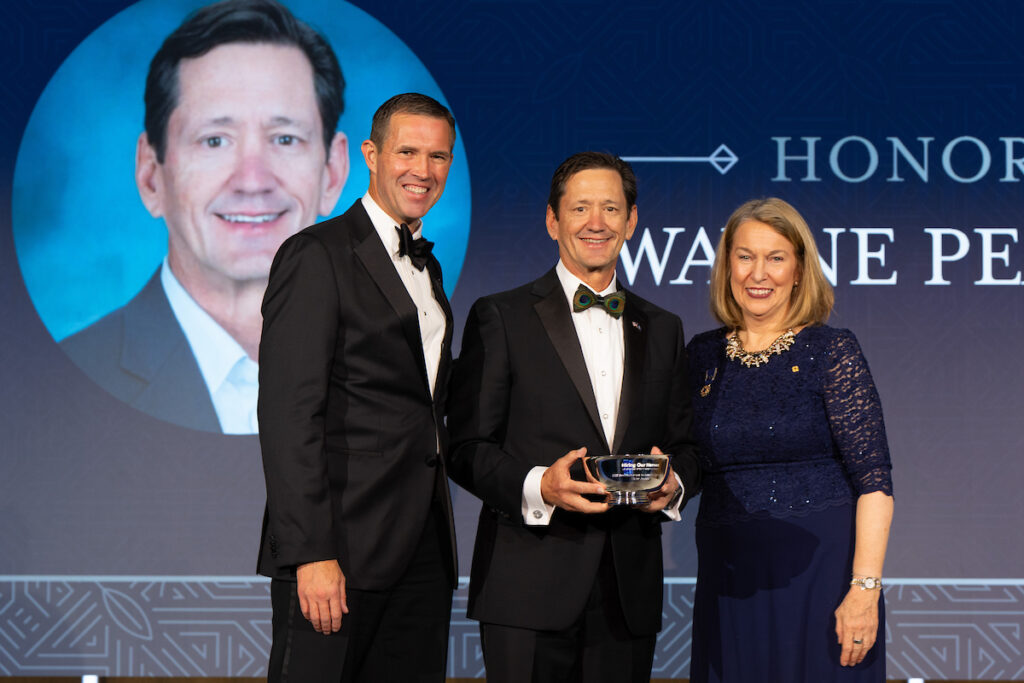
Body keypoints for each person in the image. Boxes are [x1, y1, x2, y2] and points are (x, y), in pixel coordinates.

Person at [447, 151, 702, 683]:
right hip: (527, 588)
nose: (596, 222)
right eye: (580, 207)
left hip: (627, 592)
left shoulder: (663, 328)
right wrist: (542, 486)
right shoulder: (501, 316)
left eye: (611, 208)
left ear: (631, 222)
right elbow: (466, 448)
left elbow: (688, 446)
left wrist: (672, 485)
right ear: (552, 220)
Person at [61, 0, 349, 434]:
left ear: (332, 173)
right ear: (150, 176)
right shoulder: (58, 385)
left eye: (285, 138)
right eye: (214, 141)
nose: (252, 181)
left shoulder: (405, 374)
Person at [256, 93, 458, 683]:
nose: (422, 171)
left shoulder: (428, 268)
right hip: (338, 548)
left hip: (421, 546)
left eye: (438, 157)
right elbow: (290, 416)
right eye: (408, 152)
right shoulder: (316, 255)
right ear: (371, 154)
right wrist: (311, 553)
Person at [686, 197, 894, 682]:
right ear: (727, 265)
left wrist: (864, 590)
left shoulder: (831, 351)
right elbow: (685, 462)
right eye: (745, 256)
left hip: (822, 580)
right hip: (728, 578)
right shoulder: (700, 355)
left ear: (799, 270)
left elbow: (875, 481)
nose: (758, 273)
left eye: (776, 258)